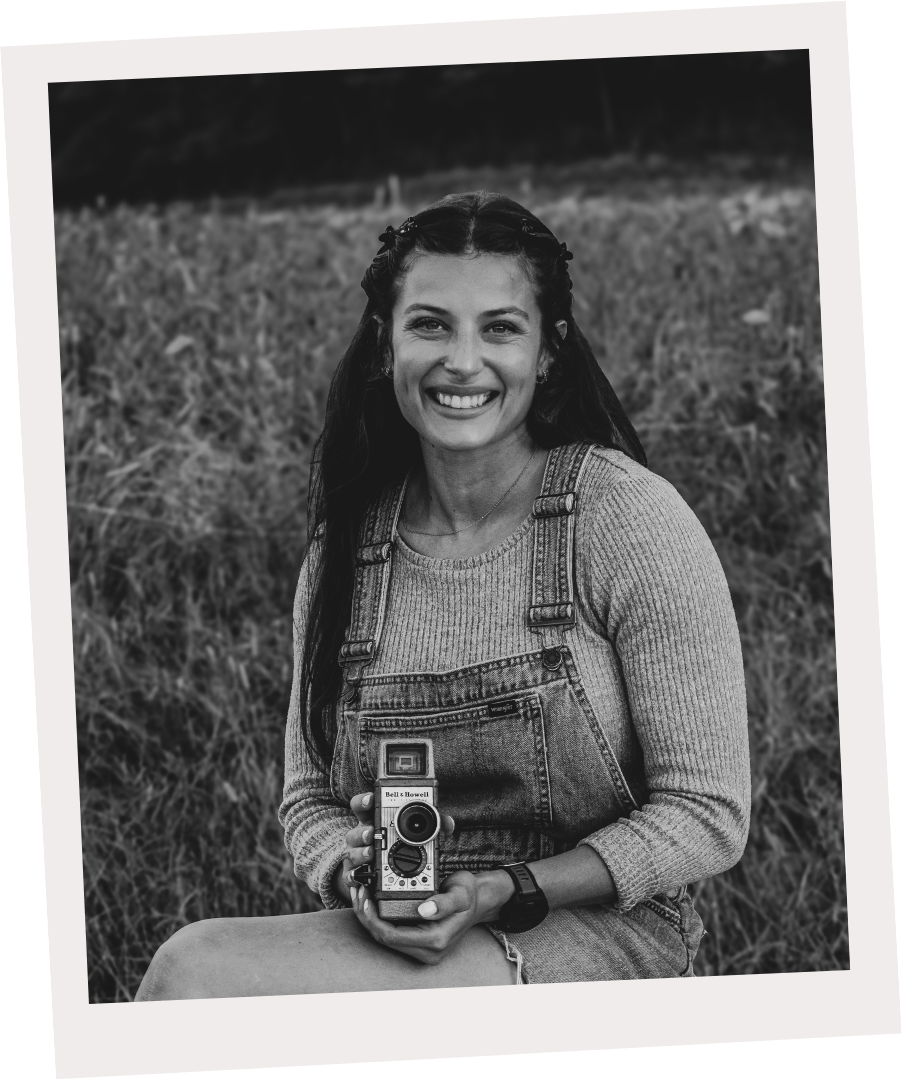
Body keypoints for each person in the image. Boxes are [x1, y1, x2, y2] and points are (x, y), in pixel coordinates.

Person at [135, 191, 750, 1000]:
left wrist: (505, 888)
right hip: (400, 928)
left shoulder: (624, 517)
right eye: (431, 324)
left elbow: (708, 811)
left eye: (500, 327)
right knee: (188, 964)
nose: (463, 360)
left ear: (548, 352)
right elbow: (309, 799)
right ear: (387, 344)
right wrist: (354, 876)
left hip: (595, 927)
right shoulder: (344, 552)